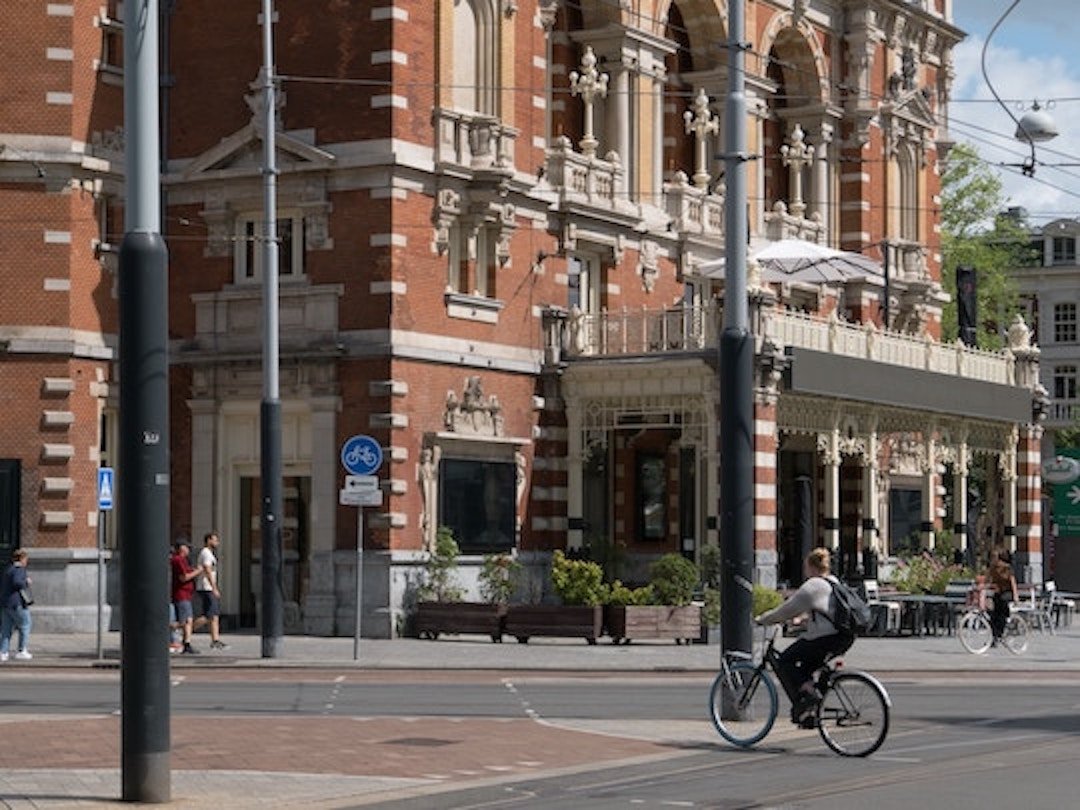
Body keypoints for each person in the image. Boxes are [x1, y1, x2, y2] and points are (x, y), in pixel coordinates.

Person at [755, 547, 854, 726]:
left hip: (824, 638)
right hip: (843, 637)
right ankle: (810, 714)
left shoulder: (813, 585)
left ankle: (810, 698)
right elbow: (826, 611)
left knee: (785, 661)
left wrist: (763, 620)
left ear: (810, 567)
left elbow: (786, 610)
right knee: (807, 668)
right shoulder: (833, 582)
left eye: (805, 567)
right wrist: (803, 620)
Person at [193, 532, 229, 650]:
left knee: (214, 615)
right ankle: (185, 630)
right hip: (206, 588)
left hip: (207, 587)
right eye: (215, 540)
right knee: (209, 615)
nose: (217, 542)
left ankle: (215, 640)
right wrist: (214, 588)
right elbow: (207, 570)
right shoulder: (206, 553)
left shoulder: (209, 553)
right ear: (208, 540)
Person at [0, 549, 33, 661]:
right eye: (26, 559)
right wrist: (26, 582)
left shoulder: (8, 569)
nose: (26, 561)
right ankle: (21, 650)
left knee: (6, 629)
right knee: (25, 624)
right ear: (22, 559)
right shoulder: (19, 569)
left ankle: (3, 652)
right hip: (17, 603)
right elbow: (17, 582)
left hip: (6, 603)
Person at [170, 539, 200, 654]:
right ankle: (184, 642)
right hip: (181, 594)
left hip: (185, 594)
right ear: (181, 548)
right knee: (185, 621)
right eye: (187, 547)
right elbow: (184, 577)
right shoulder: (178, 560)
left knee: (187, 620)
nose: (188, 550)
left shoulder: (183, 560)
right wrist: (198, 571)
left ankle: (186, 642)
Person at [987, 549, 1018, 645]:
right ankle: (995, 636)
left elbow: (1012, 581)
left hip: (1007, 592)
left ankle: (1001, 633)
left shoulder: (1006, 568)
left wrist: (1016, 595)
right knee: (993, 615)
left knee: (1002, 612)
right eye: (991, 558)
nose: (992, 560)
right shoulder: (992, 568)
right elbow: (989, 580)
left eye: (994, 557)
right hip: (998, 592)